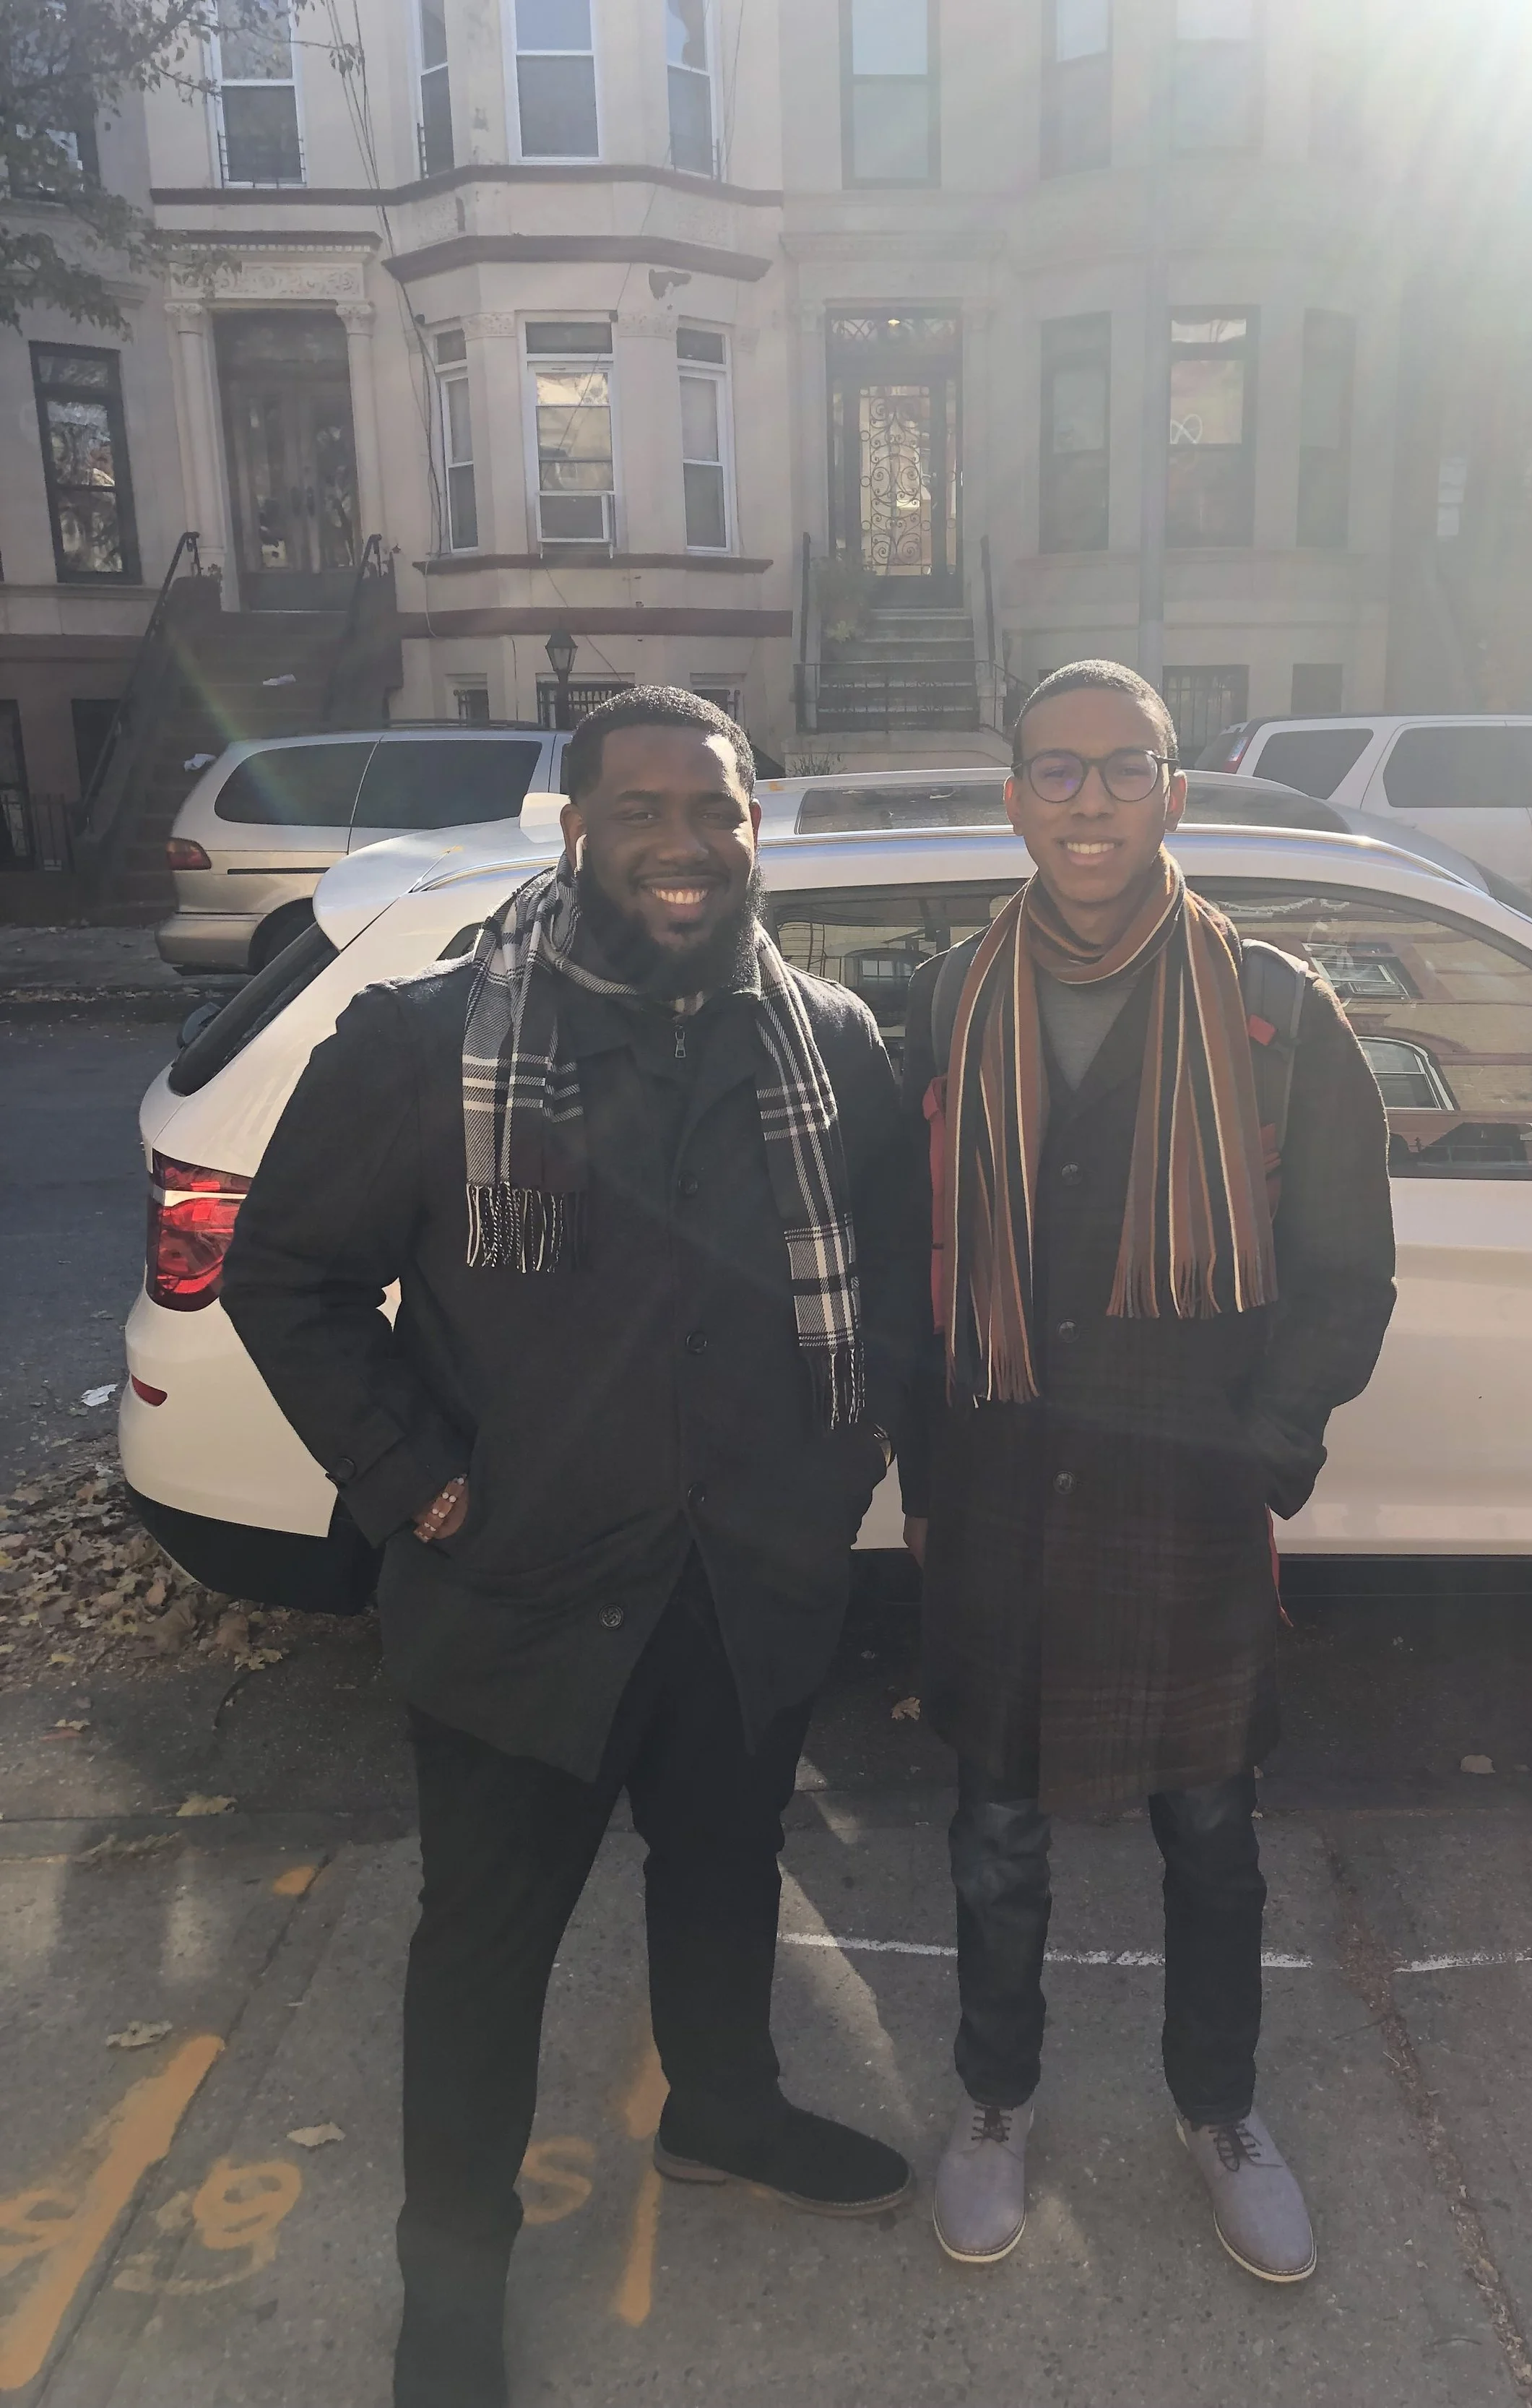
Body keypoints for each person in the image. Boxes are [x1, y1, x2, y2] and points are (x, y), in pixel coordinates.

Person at [221, 686, 914, 2408]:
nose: (685, 843)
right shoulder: (424, 1042)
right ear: (574, 828)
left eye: (717, 809)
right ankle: (450, 2279)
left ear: (754, 829)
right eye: (643, 809)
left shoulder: (828, 1042)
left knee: (724, 1870)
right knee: (482, 1949)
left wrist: (832, 1475)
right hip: (516, 1597)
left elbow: (890, 1290)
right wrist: (414, 1481)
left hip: (742, 1584)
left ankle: (724, 2110)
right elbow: (284, 1275)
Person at [899, 660, 1395, 2283]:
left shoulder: (1273, 1011)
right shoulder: (946, 999)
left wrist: (1263, 1448)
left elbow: (1346, 1274)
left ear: (1174, 793)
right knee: (994, 1833)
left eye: (1125, 767)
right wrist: (921, 1467)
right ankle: (994, 2099)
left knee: (1211, 1832)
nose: (1090, 798)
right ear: (1013, 799)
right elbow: (902, 1257)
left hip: (1185, 1493)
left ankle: (1219, 2107)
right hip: (1000, 1479)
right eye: (1056, 769)